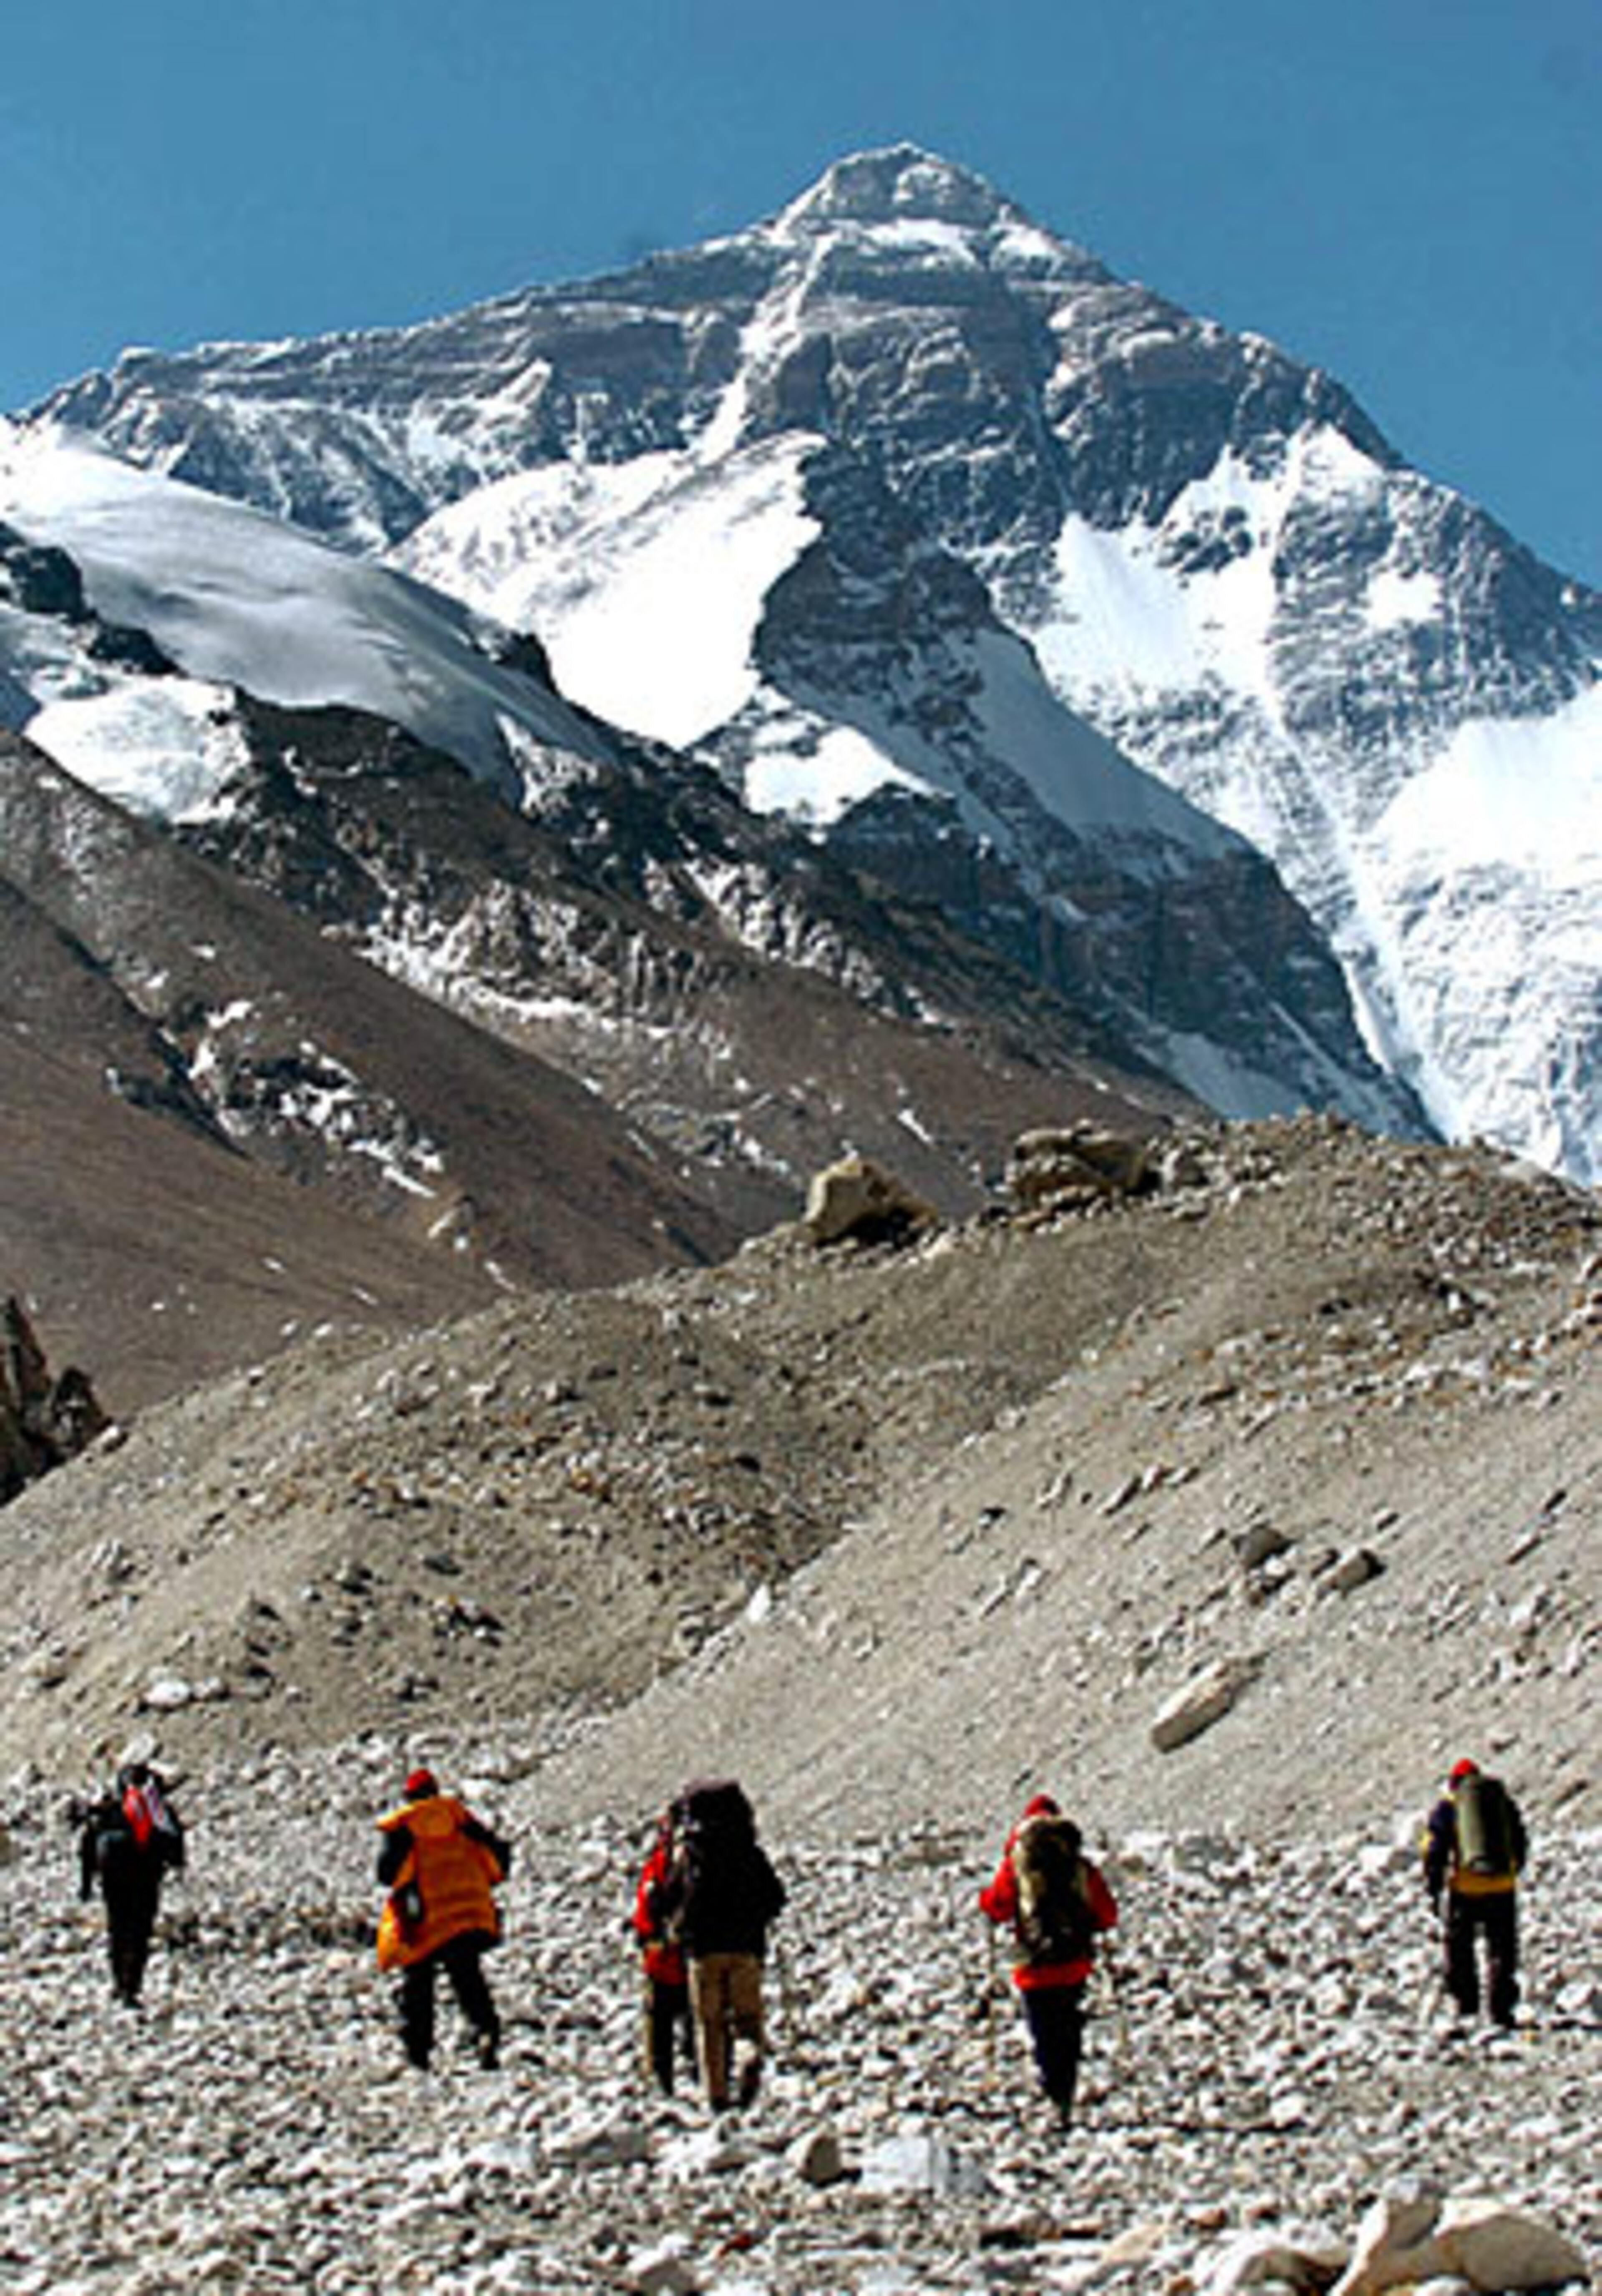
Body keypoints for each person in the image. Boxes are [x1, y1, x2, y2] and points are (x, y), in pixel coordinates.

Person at [978, 1792, 1118, 2125]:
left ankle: (1054, 2092)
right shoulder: (1079, 1866)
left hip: (1034, 1965)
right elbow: (1107, 1914)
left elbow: (996, 1905)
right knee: (1069, 2025)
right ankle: (1066, 2092)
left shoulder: (1018, 1865)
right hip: (1074, 1962)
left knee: (1044, 2030)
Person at [655, 1777, 785, 2111]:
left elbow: (669, 1896)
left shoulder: (692, 1852)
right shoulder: (748, 1849)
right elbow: (775, 1897)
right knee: (747, 2020)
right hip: (746, 1948)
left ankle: (715, 2096)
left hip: (702, 1950)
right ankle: (748, 2057)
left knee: (708, 2024)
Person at [375, 1766, 511, 2071]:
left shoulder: (404, 1827)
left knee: (419, 1982)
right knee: (467, 1977)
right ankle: (485, 2031)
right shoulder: (461, 1820)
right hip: (465, 1913)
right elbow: (499, 1858)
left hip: (425, 1918)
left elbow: (387, 1874)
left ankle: (418, 2050)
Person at [1421, 1757, 1528, 2028]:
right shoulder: (1501, 1802)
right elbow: (1521, 1840)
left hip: (1465, 1889)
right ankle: (1502, 2011)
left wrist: (1434, 1887)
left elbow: (1433, 1848)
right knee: (1502, 1950)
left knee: (1460, 1949)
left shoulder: (1450, 1805)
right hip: (1503, 1888)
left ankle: (1467, 2006)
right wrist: (1512, 1873)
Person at [77, 1759, 186, 2006]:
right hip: (147, 1878)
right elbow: (175, 1845)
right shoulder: (159, 1813)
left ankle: (119, 1983)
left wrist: (85, 1884)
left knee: (118, 1929)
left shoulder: (109, 1811)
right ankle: (131, 1987)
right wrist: (177, 1866)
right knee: (140, 1932)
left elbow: (87, 1848)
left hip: (114, 1880)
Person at [632, 1807, 695, 2095]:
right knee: (700, 2021)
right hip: (697, 1956)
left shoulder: (661, 1861)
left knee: (660, 2022)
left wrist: (646, 1936)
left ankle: (661, 2079)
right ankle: (707, 2077)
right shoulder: (709, 1858)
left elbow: (646, 1905)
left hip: (662, 1958)